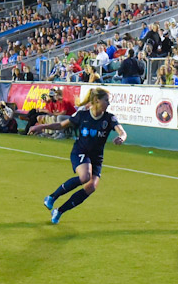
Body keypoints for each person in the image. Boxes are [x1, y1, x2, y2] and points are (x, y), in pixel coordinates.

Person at [31, 88, 127, 224]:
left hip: (96, 158)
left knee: (91, 187)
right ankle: (52, 197)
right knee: (85, 176)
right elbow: (61, 125)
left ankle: (59, 211)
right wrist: (41, 127)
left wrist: (121, 137)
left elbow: (122, 131)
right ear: (97, 100)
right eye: (106, 100)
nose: (109, 103)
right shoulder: (83, 115)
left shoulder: (109, 118)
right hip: (80, 152)